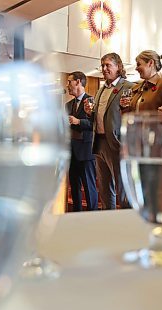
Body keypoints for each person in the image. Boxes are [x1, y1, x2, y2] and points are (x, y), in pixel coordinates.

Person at [84, 52, 133, 209]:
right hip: (99, 142)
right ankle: (107, 219)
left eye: (108, 65)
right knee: (104, 188)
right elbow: (98, 115)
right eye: (102, 65)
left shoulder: (128, 87)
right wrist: (88, 113)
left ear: (118, 67)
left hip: (116, 142)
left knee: (123, 188)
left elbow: (132, 114)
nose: (104, 68)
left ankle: (127, 221)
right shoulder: (101, 89)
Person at [65, 71, 98, 211]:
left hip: (86, 152)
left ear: (78, 82)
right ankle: (75, 218)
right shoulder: (68, 105)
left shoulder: (92, 101)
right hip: (71, 153)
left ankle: (93, 218)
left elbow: (96, 125)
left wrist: (79, 121)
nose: (67, 85)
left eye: (69, 81)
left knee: (89, 188)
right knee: (74, 190)